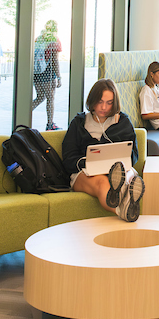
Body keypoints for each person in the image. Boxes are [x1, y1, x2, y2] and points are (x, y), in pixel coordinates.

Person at [62, 79, 145, 222]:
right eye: (100, 101)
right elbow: (68, 157)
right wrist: (90, 165)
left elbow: (133, 155)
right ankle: (124, 210)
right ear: (92, 100)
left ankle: (122, 189)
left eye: (109, 102)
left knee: (128, 176)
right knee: (102, 182)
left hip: (120, 170)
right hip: (85, 173)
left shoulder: (123, 122)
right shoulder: (79, 123)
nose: (104, 107)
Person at [31, 20, 62, 130]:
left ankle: (24, 115)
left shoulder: (38, 38)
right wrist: (59, 77)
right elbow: (54, 61)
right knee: (50, 98)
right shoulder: (54, 40)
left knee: (40, 97)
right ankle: (50, 124)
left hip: (36, 72)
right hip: (48, 73)